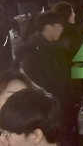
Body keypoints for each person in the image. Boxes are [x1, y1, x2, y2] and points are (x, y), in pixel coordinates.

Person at [13, 12, 78, 145]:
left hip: (63, 105)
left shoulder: (53, 48)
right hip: (51, 110)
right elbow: (39, 82)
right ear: (48, 27)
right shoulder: (35, 51)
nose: (62, 28)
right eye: (59, 25)